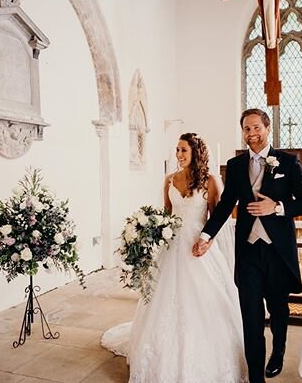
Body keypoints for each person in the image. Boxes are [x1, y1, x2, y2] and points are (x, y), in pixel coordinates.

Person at [101, 133, 248, 383]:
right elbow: (166, 216)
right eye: (177, 150)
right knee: (162, 299)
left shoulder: (211, 181)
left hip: (198, 246)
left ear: (195, 153)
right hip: (172, 247)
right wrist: (149, 232)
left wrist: (206, 241)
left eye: (183, 151)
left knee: (203, 299)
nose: (179, 155)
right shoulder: (169, 179)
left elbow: (218, 218)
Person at [193, 108, 302, 382]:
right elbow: (225, 206)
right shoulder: (236, 166)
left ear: (267, 127)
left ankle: (279, 351)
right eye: (247, 129)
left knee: (278, 310)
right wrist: (206, 236)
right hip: (248, 251)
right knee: (251, 317)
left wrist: (278, 207)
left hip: (277, 251)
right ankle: (256, 379)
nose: (251, 134)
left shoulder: (288, 162)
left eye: (256, 127)